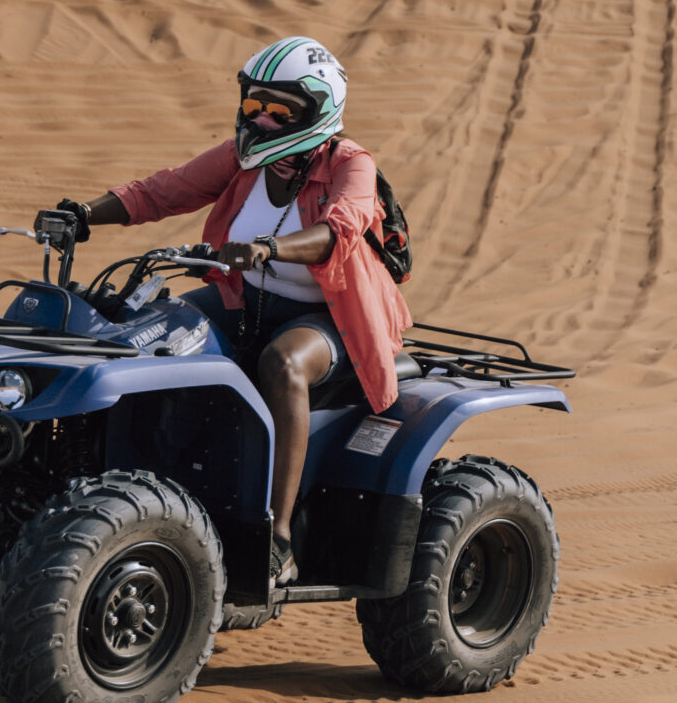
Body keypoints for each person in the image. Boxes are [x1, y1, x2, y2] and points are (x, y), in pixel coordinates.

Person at [54, 37, 410, 586]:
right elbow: (165, 190)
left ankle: (279, 538)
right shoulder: (242, 158)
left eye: (281, 111)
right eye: (254, 107)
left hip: (332, 319)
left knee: (283, 364)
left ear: (318, 111)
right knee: (145, 333)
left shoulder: (350, 164)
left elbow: (339, 230)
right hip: (243, 300)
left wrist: (271, 249)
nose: (263, 121)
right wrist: (84, 213)